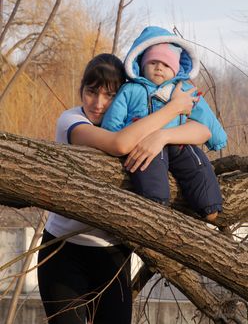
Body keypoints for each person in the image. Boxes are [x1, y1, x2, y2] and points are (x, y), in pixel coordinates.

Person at [37, 53, 211, 324]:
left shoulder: (138, 119)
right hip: (64, 251)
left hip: (113, 254)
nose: (98, 104)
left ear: (123, 95)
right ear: (80, 90)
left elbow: (203, 131)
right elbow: (119, 143)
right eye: (90, 92)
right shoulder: (71, 121)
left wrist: (163, 135)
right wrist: (173, 109)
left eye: (109, 95)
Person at [101, 26, 227, 222]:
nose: (159, 67)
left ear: (176, 69)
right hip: (145, 142)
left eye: (166, 65)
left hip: (179, 142)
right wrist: (110, 135)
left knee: (197, 164)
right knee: (149, 168)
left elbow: (205, 115)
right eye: (153, 62)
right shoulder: (132, 89)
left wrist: (219, 139)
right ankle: (156, 206)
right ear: (141, 64)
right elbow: (114, 118)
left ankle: (209, 205)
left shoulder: (183, 89)